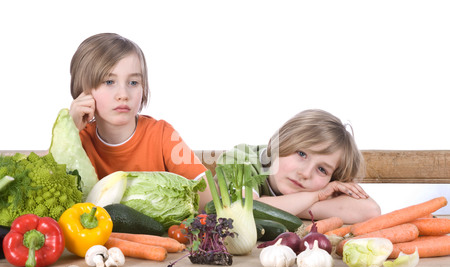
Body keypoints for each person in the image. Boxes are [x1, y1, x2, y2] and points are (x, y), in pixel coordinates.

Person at [68, 33, 211, 209]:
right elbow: (44, 185)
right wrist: (68, 130)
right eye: (109, 81)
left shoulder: (162, 135)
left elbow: (206, 195)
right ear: (83, 91)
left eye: (133, 83)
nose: (123, 95)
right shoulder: (77, 139)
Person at [217, 109, 381, 224]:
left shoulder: (324, 187)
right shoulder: (241, 158)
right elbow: (245, 209)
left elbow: (370, 211)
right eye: (301, 154)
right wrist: (314, 197)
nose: (305, 173)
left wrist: (278, 204)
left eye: (322, 169)